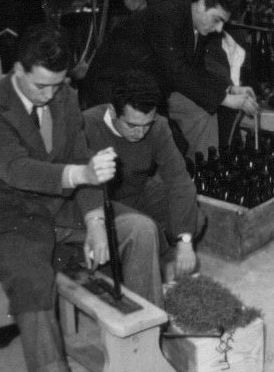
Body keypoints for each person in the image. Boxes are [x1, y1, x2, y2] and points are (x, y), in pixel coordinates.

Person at [0, 24, 161, 372]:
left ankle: (145, 347)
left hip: (62, 209)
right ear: (18, 69)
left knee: (140, 229)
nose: (49, 95)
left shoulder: (64, 97)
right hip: (8, 217)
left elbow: (80, 154)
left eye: (57, 85)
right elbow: (15, 168)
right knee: (33, 278)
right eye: (41, 86)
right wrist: (80, 174)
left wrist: (96, 221)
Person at [83, 69, 203, 282]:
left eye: (147, 125)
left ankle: (163, 260)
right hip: (101, 203)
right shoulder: (85, 126)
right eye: (132, 125)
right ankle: (157, 263)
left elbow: (179, 181)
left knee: (194, 219)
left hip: (138, 194)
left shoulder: (158, 126)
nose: (140, 133)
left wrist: (185, 241)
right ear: (112, 111)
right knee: (146, 232)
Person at [145, 0, 258, 159]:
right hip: (128, 90)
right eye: (217, 19)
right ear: (201, 5)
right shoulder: (168, 15)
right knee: (202, 111)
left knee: (204, 111)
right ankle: (200, 169)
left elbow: (196, 71)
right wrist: (225, 99)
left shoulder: (198, 24)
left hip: (161, 87)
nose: (219, 29)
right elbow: (177, 71)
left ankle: (203, 169)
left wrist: (229, 89)